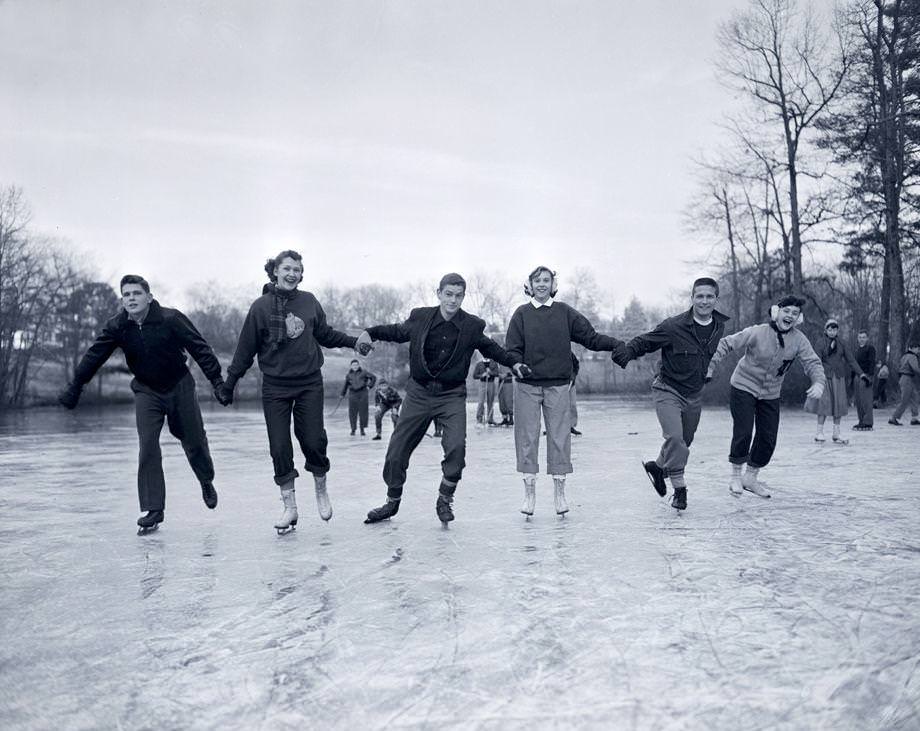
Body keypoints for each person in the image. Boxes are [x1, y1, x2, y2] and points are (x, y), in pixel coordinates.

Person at [356, 273, 530, 525]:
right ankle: (392, 502)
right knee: (396, 452)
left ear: (463, 297)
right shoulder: (421, 317)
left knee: (456, 448)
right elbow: (396, 331)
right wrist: (369, 333)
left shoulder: (471, 326)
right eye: (448, 294)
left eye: (458, 295)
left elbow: (491, 348)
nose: (453, 300)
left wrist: (514, 363)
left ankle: (444, 499)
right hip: (419, 393)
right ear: (439, 294)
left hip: (451, 395)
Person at [58, 274, 227, 533]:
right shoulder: (117, 326)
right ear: (122, 301)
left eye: (136, 293)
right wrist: (76, 385)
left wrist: (217, 381)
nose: (131, 298)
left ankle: (205, 479)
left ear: (149, 297)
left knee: (193, 439)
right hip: (147, 390)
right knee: (147, 445)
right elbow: (95, 355)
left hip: (179, 385)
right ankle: (153, 508)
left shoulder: (171, 318)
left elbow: (199, 347)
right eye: (126, 295)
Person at [219, 250, 368, 534]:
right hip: (275, 386)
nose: (292, 274)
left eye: (297, 270)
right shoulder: (260, 307)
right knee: (279, 446)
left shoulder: (309, 301)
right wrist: (229, 384)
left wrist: (354, 342)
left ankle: (321, 489)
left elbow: (325, 334)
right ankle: (290, 507)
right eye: (287, 268)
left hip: (309, 382)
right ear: (275, 271)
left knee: (313, 440)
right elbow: (245, 350)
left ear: (301, 274)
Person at [505, 265, 627, 517]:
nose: (541, 284)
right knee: (527, 438)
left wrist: (615, 343)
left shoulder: (564, 312)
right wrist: (517, 365)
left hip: (558, 384)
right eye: (537, 280)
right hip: (527, 385)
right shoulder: (521, 314)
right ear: (529, 285)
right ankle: (529, 494)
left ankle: (560, 494)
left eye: (546, 280)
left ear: (553, 285)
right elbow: (512, 349)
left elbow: (590, 337)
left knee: (560, 438)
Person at [613, 277, 728, 511]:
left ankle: (657, 467)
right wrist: (627, 352)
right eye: (699, 296)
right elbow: (646, 341)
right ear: (692, 298)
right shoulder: (674, 326)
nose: (704, 301)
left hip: (694, 394)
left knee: (684, 441)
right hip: (668, 389)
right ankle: (680, 489)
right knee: (675, 438)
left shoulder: (719, 327)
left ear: (716, 299)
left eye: (709, 296)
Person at [706, 295, 826, 499]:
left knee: (768, 437)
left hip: (771, 393)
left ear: (798, 319)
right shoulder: (758, 332)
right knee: (744, 431)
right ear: (776, 312)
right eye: (786, 311)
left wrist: (818, 382)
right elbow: (726, 344)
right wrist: (709, 366)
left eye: (795, 313)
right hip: (743, 385)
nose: (790, 316)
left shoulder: (799, 340)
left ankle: (750, 477)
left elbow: (812, 362)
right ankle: (736, 476)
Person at [804, 319, 870, 443]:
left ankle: (836, 433)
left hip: (839, 377)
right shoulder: (820, 342)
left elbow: (851, 360)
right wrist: (815, 376)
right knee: (823, 404)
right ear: (826, 330)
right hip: (824, 376)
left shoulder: (842, 343)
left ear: (837, 330)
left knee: (839, 405)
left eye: (834, 330)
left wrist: (861, 373)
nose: (832, 332)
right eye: (830, 329)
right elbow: (816, 360)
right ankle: (819, 432)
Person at [340, 359, 376, 436]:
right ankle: (353, 429)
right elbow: (345, 385)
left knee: (363, 412)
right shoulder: (348, 375)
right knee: (352, 413)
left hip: (363, 393)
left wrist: (369, 386)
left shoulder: (364, 372)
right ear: (351, 366)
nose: (355, 366)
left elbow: (373, 378)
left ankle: (362, 430)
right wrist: (342, 394)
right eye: (353, 365)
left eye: (356, 365)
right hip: (352, 394)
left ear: (358, 365)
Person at [888, 340, 920, 426]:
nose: (919, 351)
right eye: (918, 349)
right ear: (913, 348)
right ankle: (893, 418)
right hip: (907, 379)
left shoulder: (904, 356)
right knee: (904, 400)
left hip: (905, 378)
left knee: (915, 397)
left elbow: (900, 366)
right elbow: (915, 368)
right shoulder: (912, 356)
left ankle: (914, 418)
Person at [852, 330, 876, 431]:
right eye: (860, 337)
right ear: (857, 339)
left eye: (864, 337)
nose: (862, 339)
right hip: (857, 376)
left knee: (866, 400)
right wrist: (852, 378)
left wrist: (869, 377)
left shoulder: (870, 349)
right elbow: (853, 364)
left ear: (867, 338)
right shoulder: (857, 350)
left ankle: (868, 422)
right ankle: (861, 421)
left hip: (866, 376)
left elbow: (872, 362)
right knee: (859, 400)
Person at [473, 357, 500, 425]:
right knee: (481, 402)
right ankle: (479, 419)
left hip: (491, 383)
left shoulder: (494, 363)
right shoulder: (479, 364)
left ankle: (490, 419)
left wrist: (490, 372)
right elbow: (474, 376)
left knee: (490, 401)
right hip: (482, 384)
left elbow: (497, 373)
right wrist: (482, 375)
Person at [569, 353, 582, 436]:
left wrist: (573, 376)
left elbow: (576, 364)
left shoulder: (570, 353)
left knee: (572, 405)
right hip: (558, 383)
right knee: (556, 406)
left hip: (571, 384)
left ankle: (571, 426)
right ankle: (552, 428)